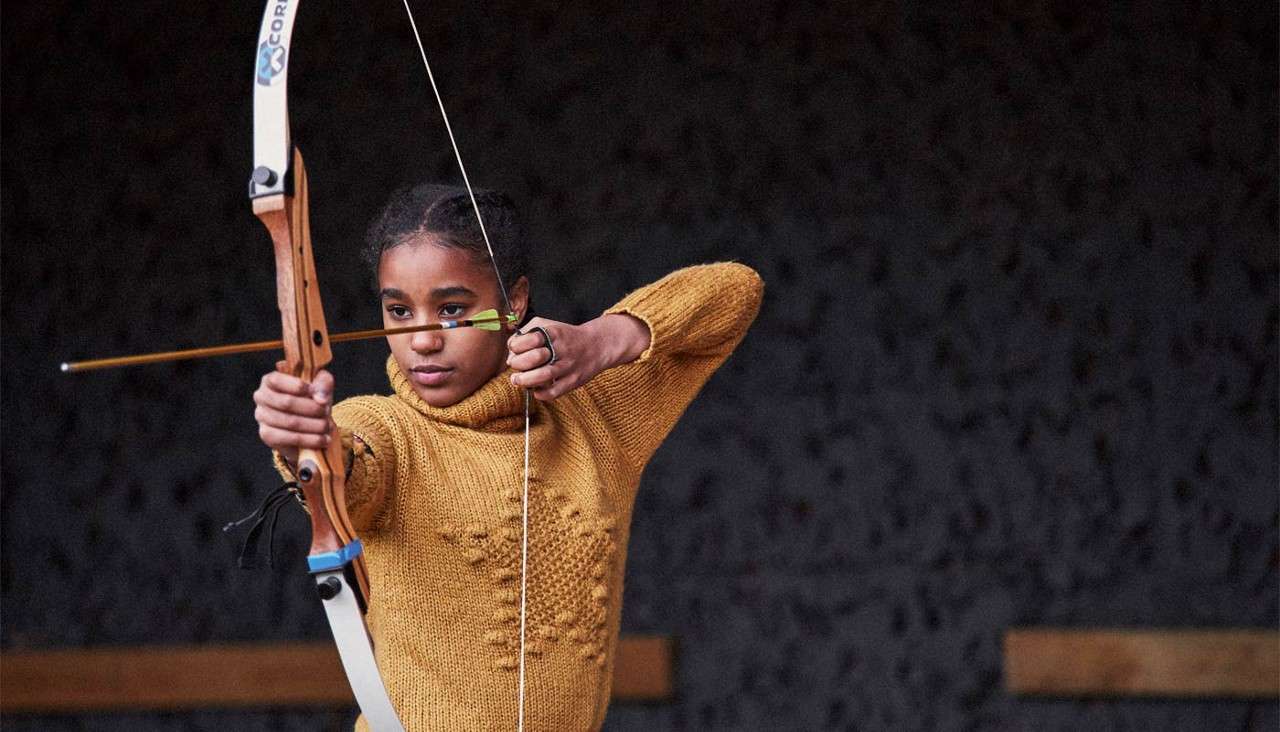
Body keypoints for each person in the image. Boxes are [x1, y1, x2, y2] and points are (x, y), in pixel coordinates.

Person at [252, 182, 762, 730]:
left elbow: (735, 292)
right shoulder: (389, 431)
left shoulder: (596, 415)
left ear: (512, 303)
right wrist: (300, 434)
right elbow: (343, 463)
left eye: (451, 309)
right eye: (399, 311)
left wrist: (603, 338)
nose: (421, 338)